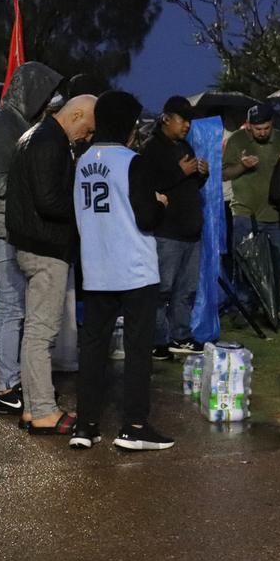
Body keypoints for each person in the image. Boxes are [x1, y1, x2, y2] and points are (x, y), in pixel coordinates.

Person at [71, 91, 173, 451]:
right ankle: (133, 425)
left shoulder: (82, 160)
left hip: (96, 267)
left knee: (94, 349)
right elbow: (146, 217)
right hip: (134, 268)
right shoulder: (134, 161)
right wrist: (160, 205)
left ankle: (85, 425)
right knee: (137, 349)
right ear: (128, 124)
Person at [7, 94, 96, 435]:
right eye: (87, 129)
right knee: (41, 333)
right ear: (75, 114)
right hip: (46, 247)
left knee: (35, 331)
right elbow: (49, 200)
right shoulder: (49, 140)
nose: (86, 137)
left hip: (35, 244)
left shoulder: (36, 135)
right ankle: (43, 409)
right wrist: (82, 208)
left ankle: (34, 407)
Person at [0, 62, 64, 416]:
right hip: (4, 227)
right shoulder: (3, 126)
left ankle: (14, 382)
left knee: (18, 309)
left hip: (15, 226)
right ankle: (6, 387)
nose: (48, 102)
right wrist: (32, 185)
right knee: (11, 309)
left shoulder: (20, 123)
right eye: (43, 94)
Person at [140, 96, 208, 360]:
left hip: (191, 231)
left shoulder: (184, 146)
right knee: (162, 290)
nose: (187, 125)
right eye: (183, 119)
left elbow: (190, 187)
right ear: (166, 118)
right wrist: (179, 172)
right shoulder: (151, 148)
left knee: (186, 290)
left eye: (189, 120)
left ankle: (181, 336)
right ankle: (157, 340)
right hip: (167, 232)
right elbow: (146, 186)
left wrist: (201, 173)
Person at [222, 103, 280, 320]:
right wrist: (242, 166)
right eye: (257, 128)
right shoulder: (237, 140)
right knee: (245, 264)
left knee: (277, 263)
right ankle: (244, 309)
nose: (262, 132)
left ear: (272, 124)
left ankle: (272, 308)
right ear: (249, 126)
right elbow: (225, 173)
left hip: (275, 214)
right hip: (244, 212)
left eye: (266, 128)